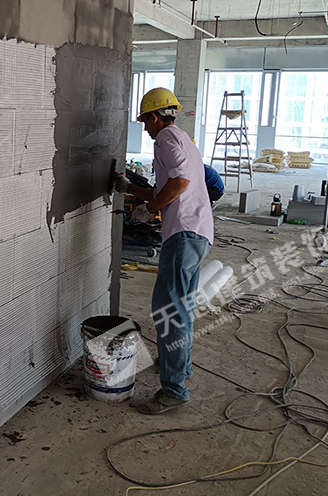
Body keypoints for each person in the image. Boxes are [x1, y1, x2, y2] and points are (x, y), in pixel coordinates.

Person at [114, 87, 214, 414]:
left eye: (146, 121)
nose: (145, 128)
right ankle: (178, 366)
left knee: (169, 311)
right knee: (180, 308)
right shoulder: (183, 138)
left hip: (184, 233)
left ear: (156, 118)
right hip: (198, 233)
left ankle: (174, 390)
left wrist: (152, 207)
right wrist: (132, 189)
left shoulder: (166, 138)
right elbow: (168, 185)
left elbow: (180, 182)